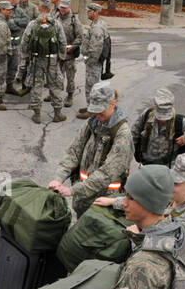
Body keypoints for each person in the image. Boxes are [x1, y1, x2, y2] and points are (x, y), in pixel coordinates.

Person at [50, 82, 132, 215]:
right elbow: (74, 152)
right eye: (94, 111)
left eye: (101, 111)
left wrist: (73, 190)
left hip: (104, 202)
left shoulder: (122, 134)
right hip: (83, 199)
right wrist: (58, 178)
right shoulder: (92, 123)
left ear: (112, 104)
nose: (97, 116)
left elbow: (107, 173)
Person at [17, 0, 69, 124]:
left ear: (39, 9)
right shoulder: (56, 24)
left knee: (37, 85)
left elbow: (24, 43)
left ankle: (37, 114)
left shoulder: (33, 24)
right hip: (52, 60)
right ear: (50, 9)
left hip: (37, 59)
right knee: (55, 85)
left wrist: (25, 57)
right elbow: (63, 42)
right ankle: (57, 113)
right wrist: (61, 57)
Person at [131, 87, 185, 167]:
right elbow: (133, 136)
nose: (163, 120)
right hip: (147, 165)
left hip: (169, 168)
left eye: (165, 117)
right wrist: (130, 158)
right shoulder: (146, 116)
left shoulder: (179, 122)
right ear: (154, 106)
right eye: (160, 116)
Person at [78, 2, 108, 118]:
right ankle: (91, 107)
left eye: (89, 11)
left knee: (92, 87)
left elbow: (96, 49)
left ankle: (92, 112)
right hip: (93, 62)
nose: (87, 13)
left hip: (93, 63)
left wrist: (89, 61)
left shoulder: (97, 28)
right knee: (91, 86)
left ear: (95, 12)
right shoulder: (96, 23)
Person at [55, 0, 83, 109]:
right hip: (58, 53)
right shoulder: (56, 17)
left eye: (64, 7)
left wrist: (72, 47)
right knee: (56, 75)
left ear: (69, 8)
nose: (62, 9)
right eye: (61, 7)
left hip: (69, 54)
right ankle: (55, 94)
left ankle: (70, 95)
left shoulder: (74, 20)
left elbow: (80, 37)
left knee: (70, 76)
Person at [7, 0, 32, 93]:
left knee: (14, 65)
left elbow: (27, 20)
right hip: (3, 42)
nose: (14, 0)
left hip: (15, 42)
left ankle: (9, 86)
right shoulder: (2, 8)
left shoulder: (19, 10)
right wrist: (12, 24)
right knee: (0, 68)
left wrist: (16, 21)